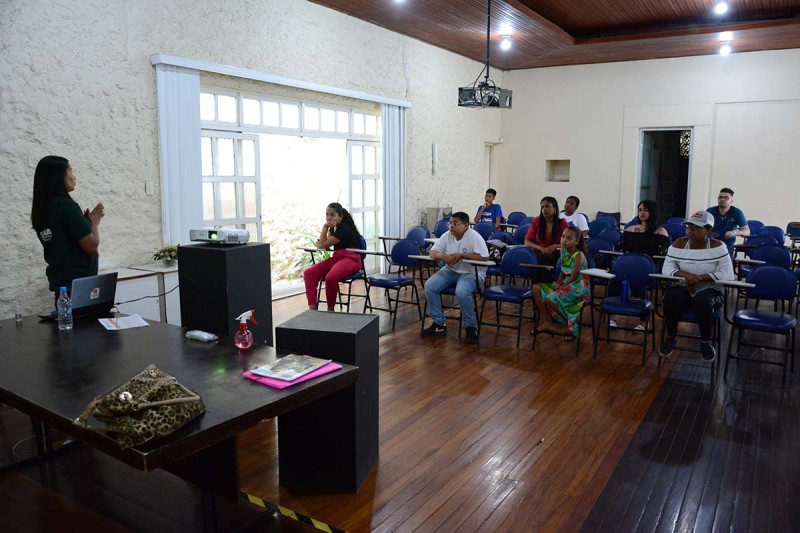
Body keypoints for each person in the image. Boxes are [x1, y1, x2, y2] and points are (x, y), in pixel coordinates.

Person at [659, 211, 734, 362]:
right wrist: (687, 277)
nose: (690, 230)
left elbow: (727, 274)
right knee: (670, 298)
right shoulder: (679, 244)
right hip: (684, 286)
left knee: (702, 301)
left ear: (708, 229)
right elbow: (666, 269)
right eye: (688, 227)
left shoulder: (718, 246)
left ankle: (705, 342)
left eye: (695, 227)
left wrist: (700, 279)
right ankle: (671, 337)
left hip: (711, 289)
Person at [31, 156, 104, 302]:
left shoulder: (41, 209)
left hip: (60, 282)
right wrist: (94, 224)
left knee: (67, 322)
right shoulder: (66, 206)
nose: (74, 176)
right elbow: (91, 246)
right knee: (84, 324)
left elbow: (62, 242)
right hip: (77, 285)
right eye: (70, 170)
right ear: (58, 176)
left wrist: (84, 223)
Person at [422, 211, 489, 344]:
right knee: (430, 285)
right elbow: (433, 252)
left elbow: (484, 257)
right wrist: (443, 257)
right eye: (450, 223)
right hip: (452, 270)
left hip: (472, 272)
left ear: (465, 226)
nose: (451, 226)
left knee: (461, 291)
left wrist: (463, 255)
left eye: (455, 223)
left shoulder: (474, 236)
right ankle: (439, 324)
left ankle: (470, 327)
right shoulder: (447, 235)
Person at [532, 226, 590, 341]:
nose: (564, 240)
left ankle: (573, 327)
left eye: (569, 238)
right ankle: (547, 322)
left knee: (550, 298)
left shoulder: (579, 255)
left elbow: (574, 276)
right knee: (536, 288)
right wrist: (558, 283)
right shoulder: (563, 251)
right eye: (563, 237)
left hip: (579, 286)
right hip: (566, 283)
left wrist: (562, 287)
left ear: (576, 241)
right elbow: (564, 271)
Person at [303, 202, 363, 312]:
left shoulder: (344, 229)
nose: (329, 217)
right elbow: (323, 244)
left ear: (340, 216)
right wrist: (324, 236)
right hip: (337, 258)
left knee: (331, 278)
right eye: (327, 214)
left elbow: (322, 245)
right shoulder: (333, 228)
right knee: (309, 273)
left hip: (351, 259)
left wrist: (324, 227)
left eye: (332, 215)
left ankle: (330, 309)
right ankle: (312, 308)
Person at [524, 196, 569, 276]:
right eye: (542, 207)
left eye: (547, 206)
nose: (544, 209)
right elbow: (527, 242)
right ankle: (539, 286)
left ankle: (540, 286)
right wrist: (541, 249)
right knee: (542, 258)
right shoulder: (537, 221)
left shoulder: (562, 223)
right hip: (538, 255)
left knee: (544, 260)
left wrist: (554, 246)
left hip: (557, 256)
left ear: (555, 208)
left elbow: (568, 243)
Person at [706, 187, 750, 257]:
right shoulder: (710, 211)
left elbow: (746, 231)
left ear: (731, 200)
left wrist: (734, 232)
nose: (722, 199)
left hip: (727, 244)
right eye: (720, 197)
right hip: (711, 242)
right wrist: (709, 231)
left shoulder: (737, 212)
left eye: (726, 198)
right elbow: (702, 226)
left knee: (726, 264)